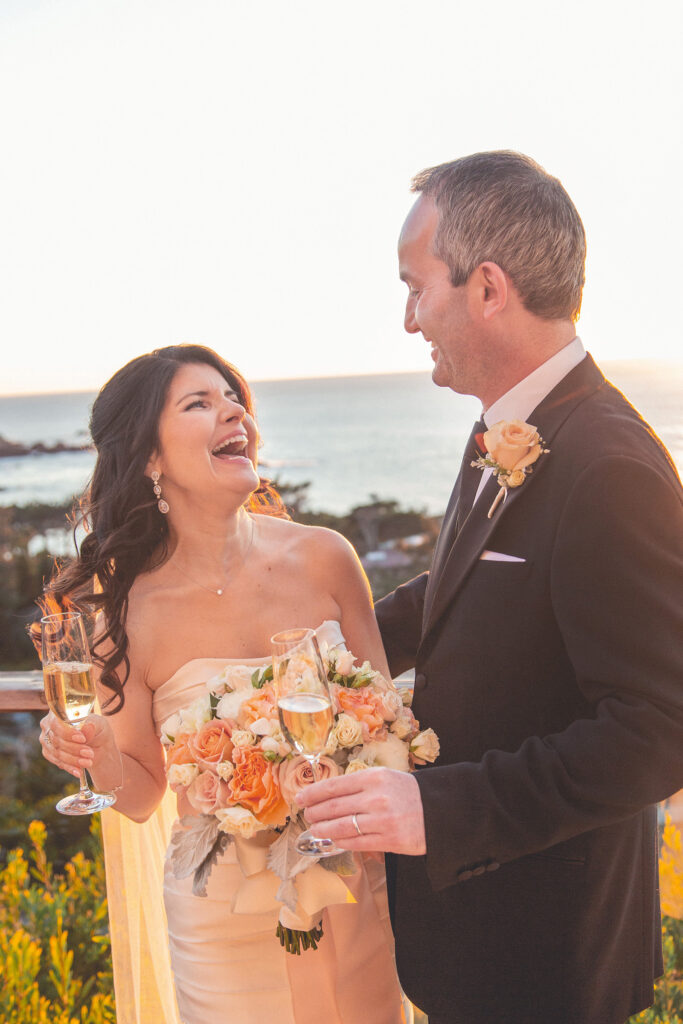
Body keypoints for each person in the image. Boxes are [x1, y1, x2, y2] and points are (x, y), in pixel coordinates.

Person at [297, 151, 683, 1023]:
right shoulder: (508, 427)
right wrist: (307, 642)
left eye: (415, 286)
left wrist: (434, 805)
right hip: (475, 943)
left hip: (548, 957)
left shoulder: (608, 463)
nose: (407, 319)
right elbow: (471, 590)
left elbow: (659, 729)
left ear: (487, 288)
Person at [37, 344, 405, 1024]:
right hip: (222, 921)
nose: (233, 410)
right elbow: (144, 795)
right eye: (199, 403)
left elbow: (390, 730)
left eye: (233, 397)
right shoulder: (123, 613)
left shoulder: (326, 557)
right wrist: (94, 755)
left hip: (347, 890)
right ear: (150, 457)